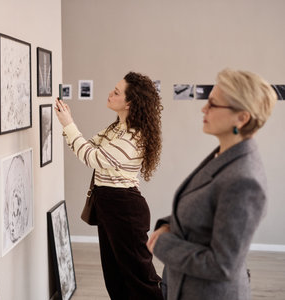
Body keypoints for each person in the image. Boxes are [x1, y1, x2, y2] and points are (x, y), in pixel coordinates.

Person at [147, 69, 277, 300]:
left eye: (213, 104)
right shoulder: (224, 155)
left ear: (242, 118)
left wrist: (164, 244)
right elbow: (200, 209)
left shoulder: (244, 180)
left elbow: (222, 265)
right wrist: (167, 225)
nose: (203, 109)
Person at [55, 71, 164, 299]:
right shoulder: (115, 128)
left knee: (141, 280)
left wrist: (68, 124)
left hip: (125, 209)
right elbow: (88, 146)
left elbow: (93, 158)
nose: (110, 94)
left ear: (130, 103)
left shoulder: (134, 137)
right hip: (109, 206)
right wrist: (70, 127)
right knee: (115, 278)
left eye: (116, 92)